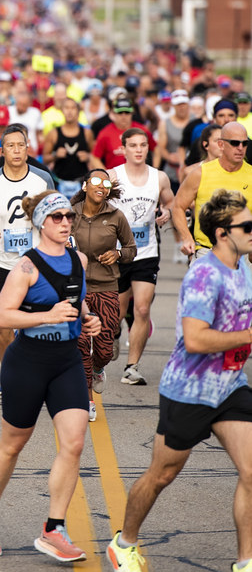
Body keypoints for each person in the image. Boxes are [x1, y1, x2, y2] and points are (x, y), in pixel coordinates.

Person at [107, 189, 252, 572]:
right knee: (162, 474)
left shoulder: (245, 268)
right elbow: (196, 338)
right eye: (247, 226)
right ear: (223, 233)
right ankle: (125, 544)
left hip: (230, 386)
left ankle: (246, 565)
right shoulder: (206, 274)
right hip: (189, 389)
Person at [0, 191, 101, 561]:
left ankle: (54, 529)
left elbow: (78, 303)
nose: (66, 223)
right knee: (13, 444)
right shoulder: (26, 267)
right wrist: (48, 316)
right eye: (58, 217)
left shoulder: (79, 259)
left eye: (69, 217)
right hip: (28, 361)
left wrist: (87, 319)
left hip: (66, 361)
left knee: (74, 444)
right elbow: (4, 317)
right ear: (41, 223)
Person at [0, 125, 54, 361]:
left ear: (28, 148)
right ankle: (9, 372)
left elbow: (54, 215)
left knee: (32, 322)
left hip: (34, 260)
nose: (16, 150)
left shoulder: (42, 178)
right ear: (1, 150)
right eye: (10, 146)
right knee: (1, 322)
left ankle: (30, 370)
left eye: (20, 145)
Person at [109, 128, 174, 384]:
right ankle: (113, 335)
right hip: (118, 253)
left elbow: (170, 201)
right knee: (117, 311)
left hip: (147, 252)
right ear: (123, 148)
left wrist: (166, 212)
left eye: (143, 145)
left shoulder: (159, 178)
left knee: (143, 308)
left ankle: (131, 367)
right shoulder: (114, 176)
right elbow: (95, 203)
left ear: (148, 148)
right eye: (133, 145)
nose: (138, 150)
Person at [71, 169, 136, 420]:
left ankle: (99, 367)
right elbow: (51, 240)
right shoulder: (70, 213)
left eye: (105, 182)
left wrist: (118, 254)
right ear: (85, 185)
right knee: (80, 346)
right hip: (77, 288)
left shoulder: (116, 216)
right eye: (96, 181)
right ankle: (87, 400)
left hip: (107, 287)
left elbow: (131, 248)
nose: (101, 186)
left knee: (104, 349)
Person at [172, 121, 252, 261]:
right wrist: (187, 238)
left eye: (244, 143)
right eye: (234, 143)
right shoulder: (200, 173)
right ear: (221, 144)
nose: (240, 148)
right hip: (207, 251)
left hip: (243, 255)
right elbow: (178, 206)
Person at [42, 97, 96, 198]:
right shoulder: (53, 133)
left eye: (73, 108)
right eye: (66, 108)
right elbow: (45, 159)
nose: (69, 111)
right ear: (62, 110)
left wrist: (88, 157)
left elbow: (96, 157)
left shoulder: (87, 133)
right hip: (59, 183)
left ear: (78, 111)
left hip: (81, 184)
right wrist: (55, 155)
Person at [154, 89, 190, 193]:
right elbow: (161, 147)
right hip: (172, 170)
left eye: (183, 104)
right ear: (173, 105)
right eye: (178, 104)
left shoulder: (195, 120)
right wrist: (169, 157)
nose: (181, 107)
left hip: (192, 169)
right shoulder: (165, 123)